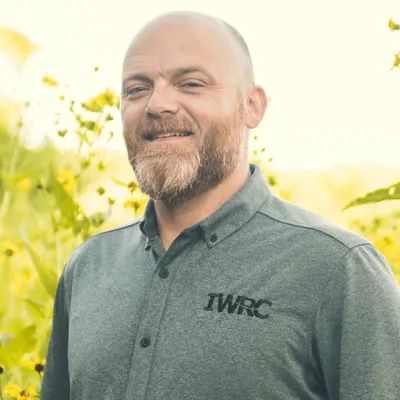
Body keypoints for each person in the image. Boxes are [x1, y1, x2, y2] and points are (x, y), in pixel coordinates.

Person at [41, 11, 400, 400]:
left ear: (252, 106)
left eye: (191, 83)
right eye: (137, 88)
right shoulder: (88, 266)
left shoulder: (339, 270)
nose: (157, 104)